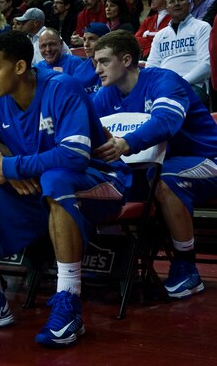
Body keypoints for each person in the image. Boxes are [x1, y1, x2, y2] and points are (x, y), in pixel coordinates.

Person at [0, 30, 129, 348]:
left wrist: (12, 166)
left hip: (101, 183)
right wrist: (3, 160)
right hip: (39, 188)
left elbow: (74, 156)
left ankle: (68, 300)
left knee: (57, 178)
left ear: (18, 67)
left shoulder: (61, 87)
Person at [92, 29, 217, 300]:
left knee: (164, 180)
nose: (97, 69)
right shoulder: (105, 95)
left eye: (103, 61)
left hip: (206, 158)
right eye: (94, 62)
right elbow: (86, 126)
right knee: (104, 177)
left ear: (126, 60)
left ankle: (187, 266)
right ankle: (112, 258)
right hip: (155, 164)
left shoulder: (164, 81)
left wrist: (125, 143)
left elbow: (165, 123)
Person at [146, 0, 211, 104]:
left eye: (180, 0)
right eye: (172, 1)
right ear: (167, 8)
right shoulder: (160, 35)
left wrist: (179, 82)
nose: (176, 3)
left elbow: (206, 64)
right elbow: (151, 67)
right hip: (164, 87)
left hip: (193, 85)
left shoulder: (202, 27)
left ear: (189, 4)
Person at [34, 28, 101, 96]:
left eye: (52, 44)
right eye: (43, 46)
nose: (48, 49)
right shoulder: (36, 69)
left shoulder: (76, 63)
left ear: (61, 43)